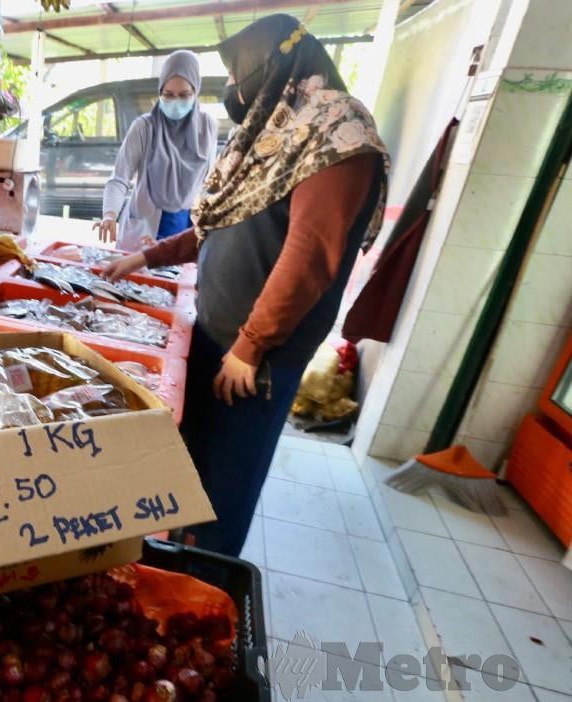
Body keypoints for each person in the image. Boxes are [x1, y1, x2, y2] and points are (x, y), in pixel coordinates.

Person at [105, 14, 389, 558]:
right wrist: (147, 256)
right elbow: (219, 224)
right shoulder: (274, 130)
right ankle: (175, 565)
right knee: (192, 468)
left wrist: (250, 345)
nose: (233, 91)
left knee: (223, 485)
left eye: (239, 77)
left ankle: (205, 589)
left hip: (252, 361)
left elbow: (310, 257)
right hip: (219, 338)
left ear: (275, 66)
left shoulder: (336, 133)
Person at [94, 51, 218, 252]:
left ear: (195, 93)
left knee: (176, 279)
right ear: (160, 93)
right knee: (140, 280)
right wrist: (109, 214)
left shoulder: (207, 126)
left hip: (186, 224)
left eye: (184, 95)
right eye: (168, 95)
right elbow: (120, 177)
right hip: (145, 224)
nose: (175, 102)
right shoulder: (144, 127)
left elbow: (210, 181)